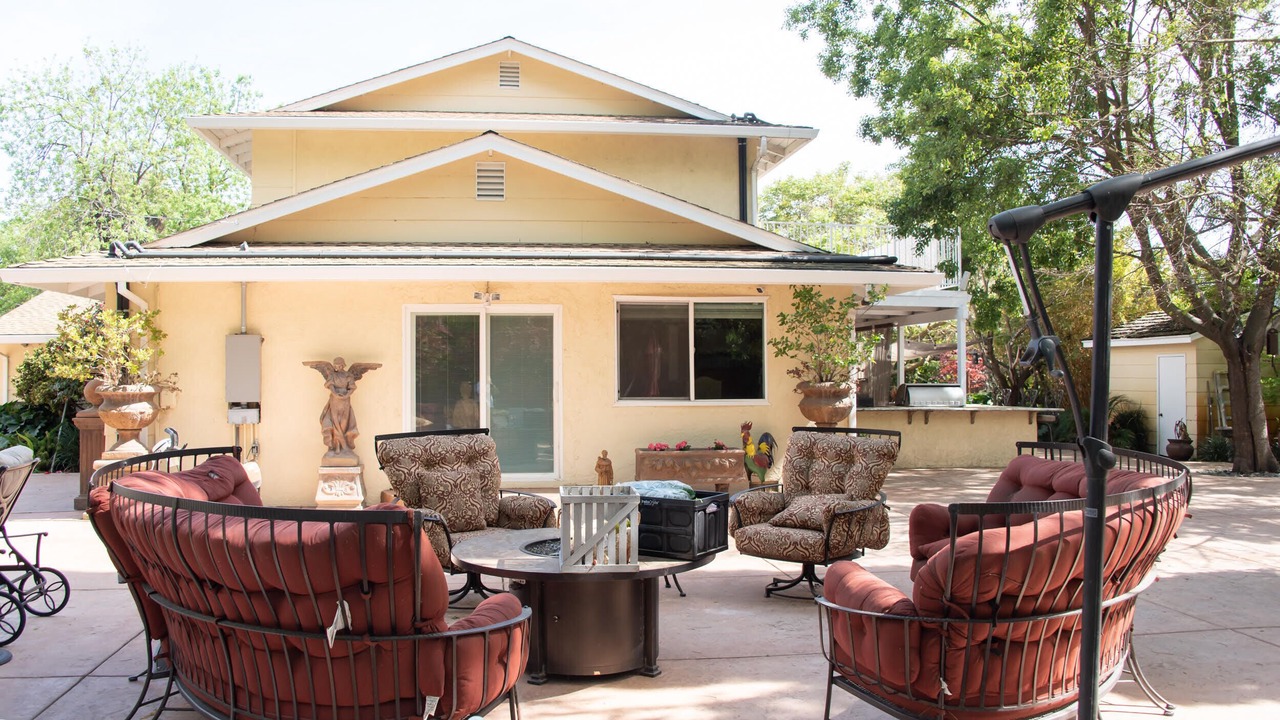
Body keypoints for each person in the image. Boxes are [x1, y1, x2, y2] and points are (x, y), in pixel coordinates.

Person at [303, 357, 381, 464]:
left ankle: (343, 446)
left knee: (344, 422)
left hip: (345, 400)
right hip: (334, 400)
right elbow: (330, 386)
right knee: (335, 423)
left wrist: (346, 395)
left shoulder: (348, 375)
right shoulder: (332, 375)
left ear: (343, 365)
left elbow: (352, 387)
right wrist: (336, 394)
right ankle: (338, 447)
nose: (337, 367)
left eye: (338, 365)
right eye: (335, 365)